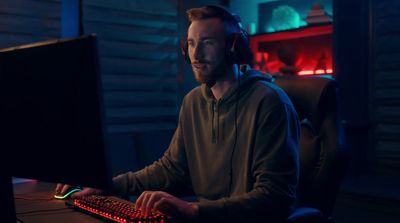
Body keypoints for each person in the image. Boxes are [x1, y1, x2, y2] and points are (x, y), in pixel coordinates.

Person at [56, 5, 300, 223]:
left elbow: (274, 198)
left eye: (207, 42)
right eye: (191, 44)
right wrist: (108, 186)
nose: (196, 54)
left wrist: (194, 210)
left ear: (233, 48)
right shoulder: (193, 102)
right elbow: (171, 169)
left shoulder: (270, 103)